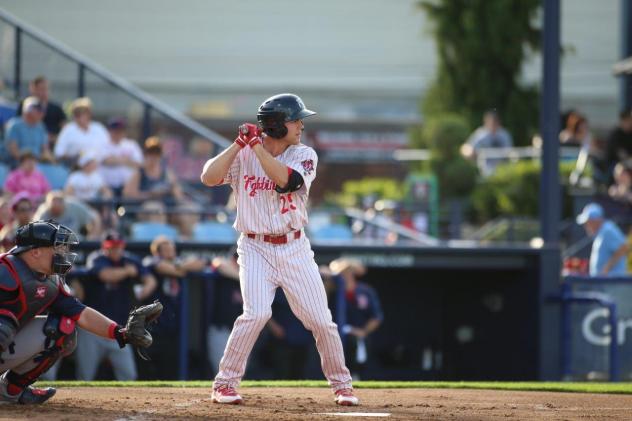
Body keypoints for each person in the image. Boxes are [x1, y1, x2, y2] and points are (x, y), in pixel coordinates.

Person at [200, 93, 358, 406]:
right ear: (276, 125)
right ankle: (225, 384)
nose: (300, 124)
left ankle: (342, 386)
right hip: (254, 246)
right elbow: (208, 177)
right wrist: (238, 144)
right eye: (294, 119)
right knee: (256, 313)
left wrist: (256, 146)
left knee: (321, 320)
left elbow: (285, 181)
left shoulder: (304, 154)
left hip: (294, 248)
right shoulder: (244, 155)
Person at [0, 220, 156, 404]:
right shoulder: (5, 269)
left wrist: (121, 333)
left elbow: (81, 313)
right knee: (4, 324)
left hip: (7, 344)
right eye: (57, 247)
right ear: (35, 252)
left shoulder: (51, 281)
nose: (62, 253)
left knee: (62, 328)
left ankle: (11, 391)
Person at [75, 231, 157, 381]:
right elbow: (106, 275)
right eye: (112, 247)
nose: (116, 250)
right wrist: (127, 271)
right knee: (85, 375)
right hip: (92, 328)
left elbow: (150, 280)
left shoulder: (129, 259)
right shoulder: (97, 258)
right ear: (104, 247)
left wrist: (143, 291)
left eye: (118, 247)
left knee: (129, 375)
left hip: (119, 329)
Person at [140, 235, 206, 379]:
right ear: (158, 252)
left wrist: (179, 266)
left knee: (169, 370)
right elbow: (165, 268)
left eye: (172, 249)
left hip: (171, 326)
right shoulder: (151, 261)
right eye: (167, 249)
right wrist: (181, 268)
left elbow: (200, 263)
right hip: (152, 326)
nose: (172, 252)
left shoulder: (177, 263)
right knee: (148, 370)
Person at [328, 258, 383, 380]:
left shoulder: (365, 291)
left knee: (358, 359)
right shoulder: (333, 291)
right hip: (336, 336)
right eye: (343, 273)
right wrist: (342, 267)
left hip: (358, 337)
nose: (345, 275)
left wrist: (363, 332)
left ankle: (357, 378)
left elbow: (376, 317)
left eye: (348, 272)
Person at [206, 250, 242, 375]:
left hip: (241, 332)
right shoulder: (227, 272)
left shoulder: (252, 276)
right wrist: (244, 278)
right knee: (220, 369)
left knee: (238, 371)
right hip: (220, 329)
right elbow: (218, 263)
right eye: (237, 258)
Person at [123, 137, 184, 204]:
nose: (154, 156)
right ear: (145, 154)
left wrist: (173, 191)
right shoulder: (140, 172)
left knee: (189, 209)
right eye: (151, 153)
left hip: (165, 207)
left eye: (156, 153)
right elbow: (127, 193)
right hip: (146, 208)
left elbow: (177, 192)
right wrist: (149, 195)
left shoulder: (166, 172)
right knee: (154, 208)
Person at [576, 203, 629, 276]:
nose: (586, 226)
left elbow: (624, 247)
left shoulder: (608, 230)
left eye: (588, 222)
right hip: (604, 283)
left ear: (596, 220)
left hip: (612, 283)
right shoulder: (602, 232)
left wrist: (606, 268)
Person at [53, 97, 109, 167]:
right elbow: (58, 153)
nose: (81, 116)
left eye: (84, 112)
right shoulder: (68, 130)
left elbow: (108, 149)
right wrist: (74, 157)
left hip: (100, 169)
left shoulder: (99, 128)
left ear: (89, 113)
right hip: (76, 169)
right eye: (77, 113)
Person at [98, 118, 144, 197]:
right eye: (115, 131)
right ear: (110, 131)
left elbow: (139, 164)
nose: (118, 133)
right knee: (110, 206)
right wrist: (126, 160)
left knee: (124, 209)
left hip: (127, 187)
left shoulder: (131, 144)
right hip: (108, 187)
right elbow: (106, 161)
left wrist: (116, 159)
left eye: (120, 131)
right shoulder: (102, 145)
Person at [16, 76, 66, 146]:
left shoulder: (57, 108)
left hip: (52, 146)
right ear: (33, 90)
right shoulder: (24, 105)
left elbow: (64, 129)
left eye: (46, 89)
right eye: (41, 89)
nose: (44, 92)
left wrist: (55, 138)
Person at [4, 96, 53, 167]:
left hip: (37, 164)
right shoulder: (14, 125)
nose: (41, 113)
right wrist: (28, 162)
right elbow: (13, 150)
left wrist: (49, 160)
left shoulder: (41, 127)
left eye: (41, 110)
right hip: (17, 164)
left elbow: (45, 149)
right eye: (37, 109)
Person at [34, 191, 102, 240]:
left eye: (59, 201)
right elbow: (35, 229)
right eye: (54, 202)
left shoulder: (74, 207)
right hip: (51, 247)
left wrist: (92, 236)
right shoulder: (43, 211)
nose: (57, 204)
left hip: (75, 246)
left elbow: (95, 216)